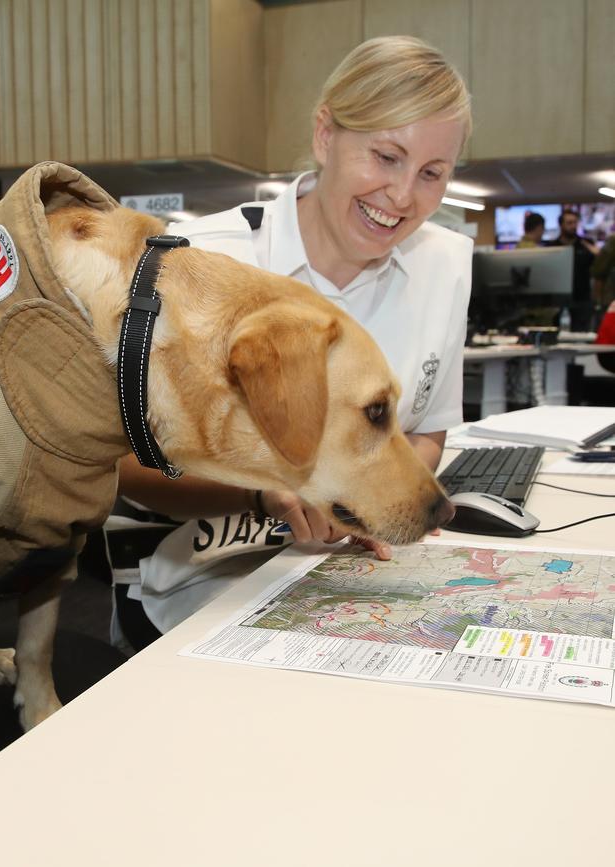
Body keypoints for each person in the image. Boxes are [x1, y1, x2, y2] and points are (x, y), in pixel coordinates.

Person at [110, 35, 474, 651]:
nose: (405, 196)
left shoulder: (445, 264)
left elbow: (428, 430)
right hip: (198, 582)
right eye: (386, 156)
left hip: (348, 577)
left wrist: (379, 496)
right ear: (326, 135)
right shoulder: (200, 263)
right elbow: (122, 465)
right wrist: (266, 492)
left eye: (432, 173)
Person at [547, 208, 599, 330]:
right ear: (561, 225)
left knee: (582, 332)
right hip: (558, 299)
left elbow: (598, 269)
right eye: (569, 223)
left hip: (582, 298)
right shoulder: (552, 247)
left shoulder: (586, 244)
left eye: (575, 222)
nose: (573, 226)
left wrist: (597, 254)